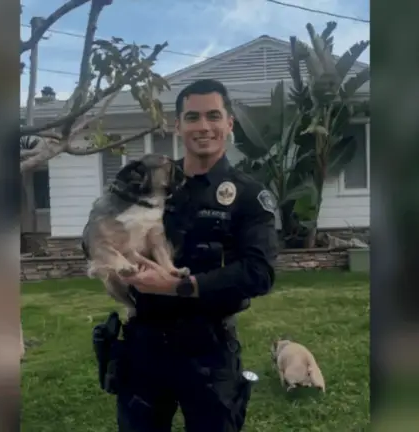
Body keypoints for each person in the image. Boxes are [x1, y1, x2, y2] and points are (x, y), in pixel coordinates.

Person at [111, 78, 279, 432]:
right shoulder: (146, 181)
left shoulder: (249, 195)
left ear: (229, 123)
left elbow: (258, 272)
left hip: (210, 353)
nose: (203, 127)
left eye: (213, 116)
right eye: (192, 117)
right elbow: (96, 232)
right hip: (144, 347)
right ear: (178, 125)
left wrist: (177, 286)